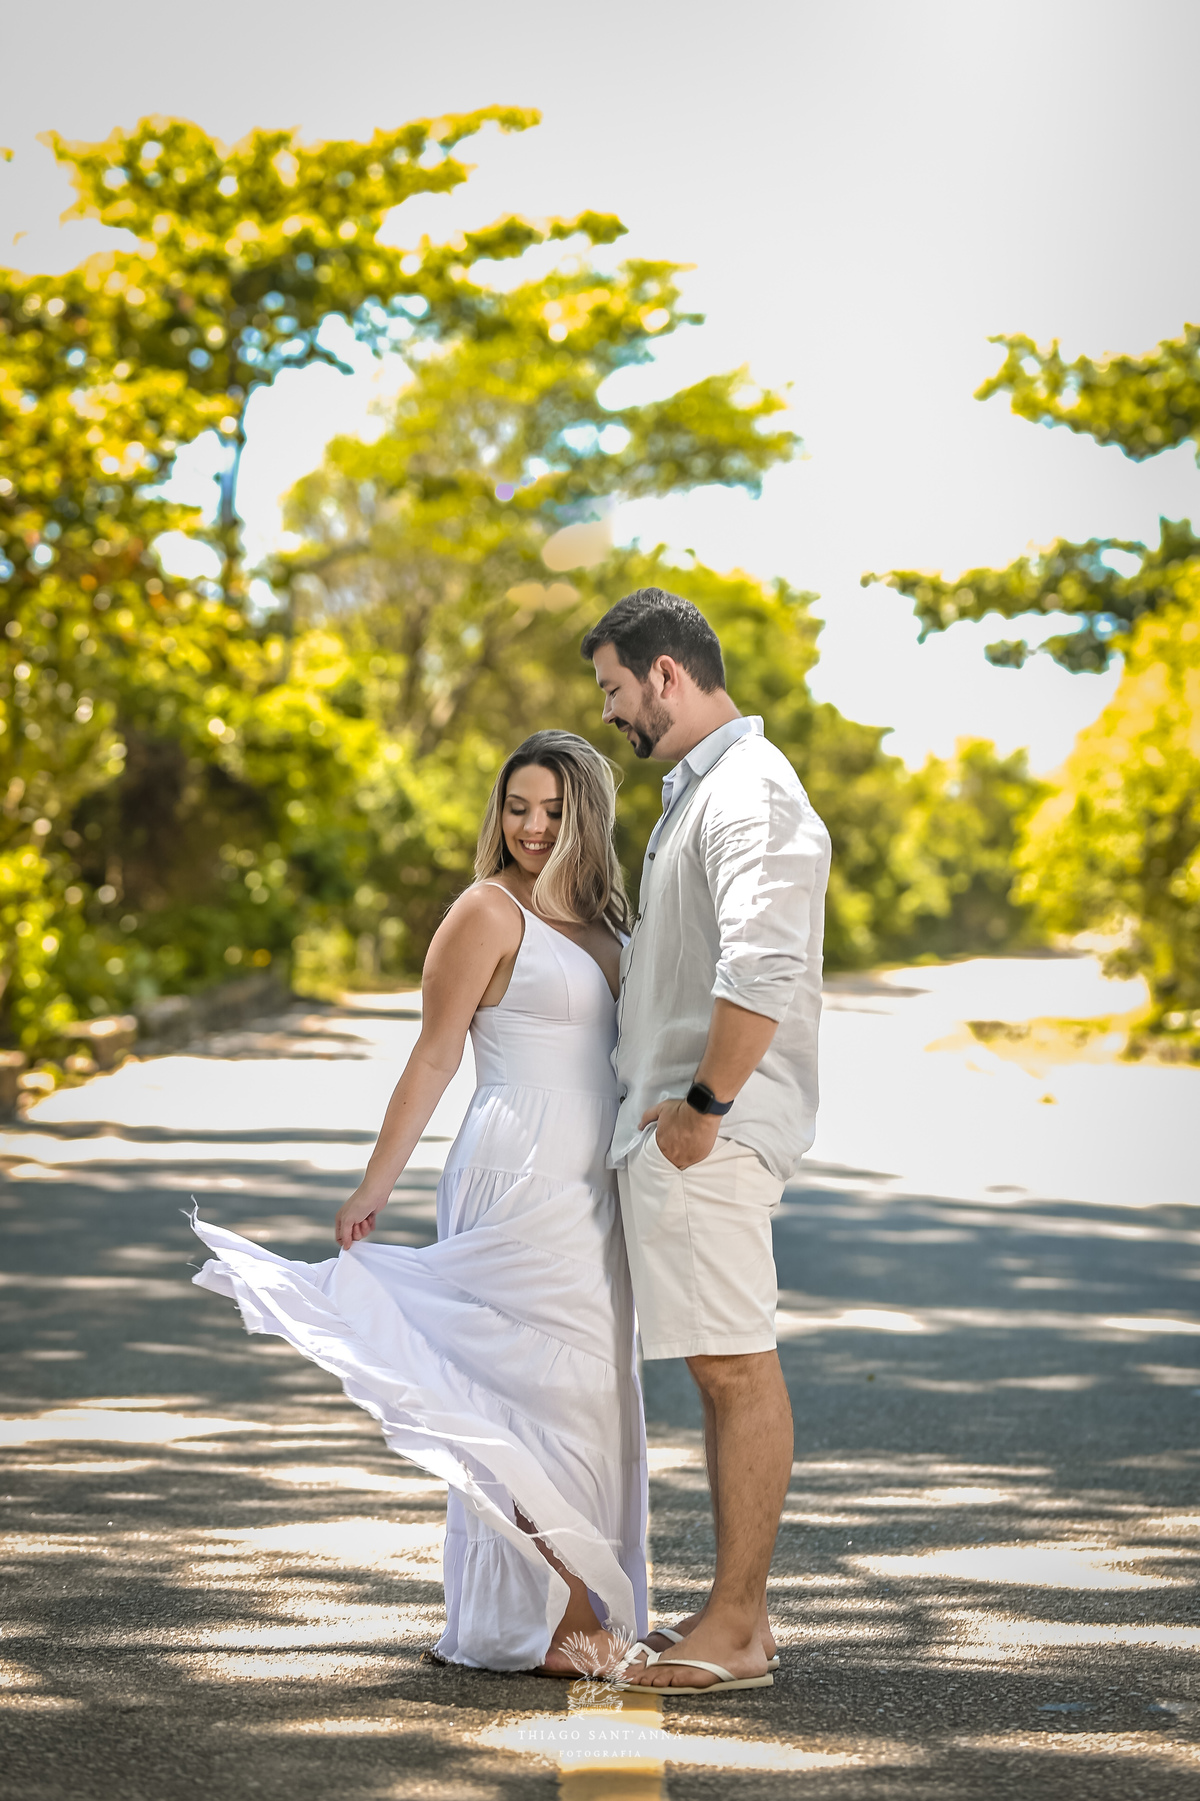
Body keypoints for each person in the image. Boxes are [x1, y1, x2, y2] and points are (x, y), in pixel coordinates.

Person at [191, 731, 647, 1676]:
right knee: (525, 1388)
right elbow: (435, 1055)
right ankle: (556, 1617)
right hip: (515, 1167)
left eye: (554, 811)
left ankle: (573, 1602)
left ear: (588, 819)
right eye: (517, 806)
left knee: (589, 1391)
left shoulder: (609, 923)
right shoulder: (485, 910)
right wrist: (376, 1184)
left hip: (596, 1182)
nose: (531, 826)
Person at [581, 588, 831, 1694]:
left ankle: (737, 1627)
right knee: (717, 1360)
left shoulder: (751, 794)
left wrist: (703, 1108)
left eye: (615, 690)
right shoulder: (709, 790)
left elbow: (762, 967)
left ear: (667, 674)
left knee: (734, 1363)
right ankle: (734, 1614)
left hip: (710, 1138)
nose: (613, 715)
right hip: (690, 1133)